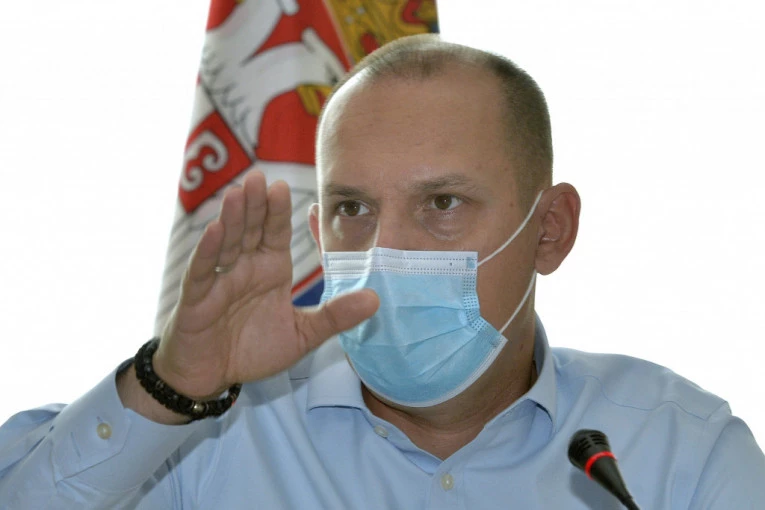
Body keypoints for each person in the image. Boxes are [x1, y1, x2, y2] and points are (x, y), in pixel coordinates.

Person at [1, 34, 763, 509]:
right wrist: (170, 387)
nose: (384, 250)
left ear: (549, 230)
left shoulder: (676, 454)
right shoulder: (208, 432)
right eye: (353, 209)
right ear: (316, 234)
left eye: (441, 203)